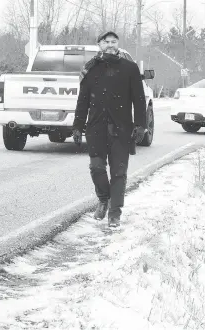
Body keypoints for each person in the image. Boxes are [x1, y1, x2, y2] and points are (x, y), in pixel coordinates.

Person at [72, 31, 148, 228]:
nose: (110, 45)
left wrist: (141, 125)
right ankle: (104, 199)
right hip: (96, 127)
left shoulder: (129, 68)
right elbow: (83, 101)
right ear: (99, 44)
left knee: (119, 173)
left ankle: (115, 213)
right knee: (96, 167)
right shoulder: (90, 69)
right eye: (106, 42)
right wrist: (78, 126)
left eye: (114, 41)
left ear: (118, 44)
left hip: (122, 129)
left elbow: (139, 99)